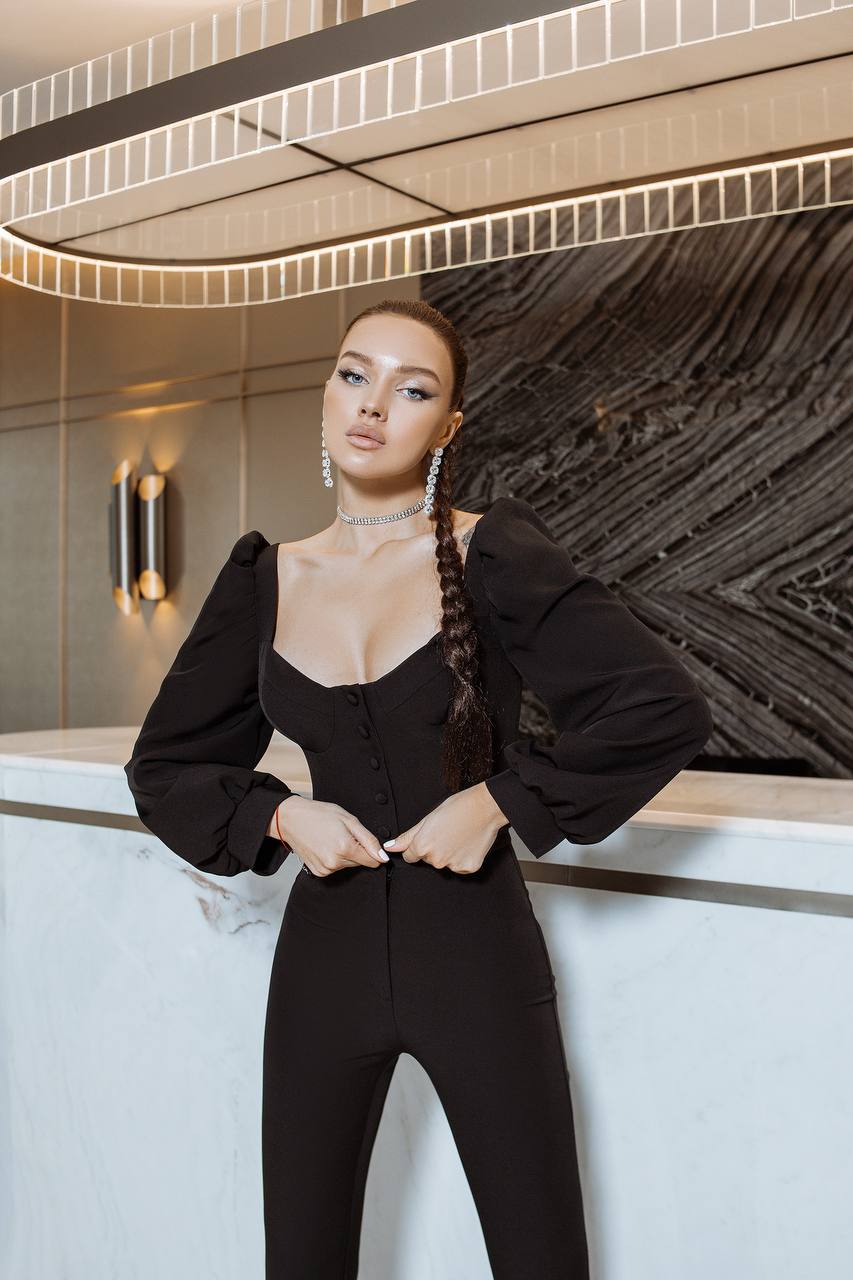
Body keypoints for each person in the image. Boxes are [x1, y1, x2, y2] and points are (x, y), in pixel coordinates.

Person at [124, 298, 713, 1279]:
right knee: (300, 1258)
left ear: (446, 428)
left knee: (537, 1257)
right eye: (354, 374)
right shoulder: (264, 577)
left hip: (475, 952)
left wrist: (498, 801)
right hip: (323, 961)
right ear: (326, 392)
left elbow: (659, 707)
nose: (371, 404)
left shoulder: (493, 554)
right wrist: (280, 814)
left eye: (412, 389)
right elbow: (165, 764)